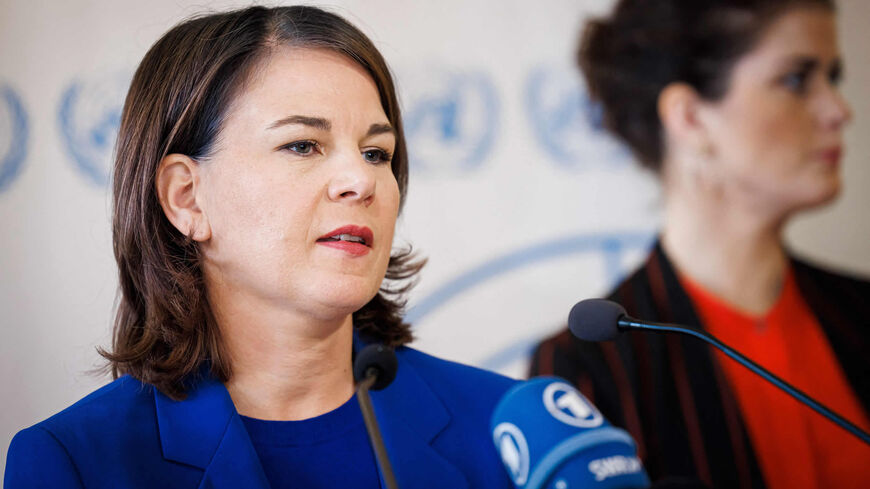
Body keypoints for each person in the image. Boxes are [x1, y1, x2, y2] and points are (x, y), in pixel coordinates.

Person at [4, 6, 516, 488]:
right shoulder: (77, 461)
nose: (360, 180)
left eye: (376, 152)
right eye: (302, 145)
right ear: (187, 198)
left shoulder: (508, 426)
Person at [530, 1, 870, 488]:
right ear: (690, 118)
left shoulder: (861, 310)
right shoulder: (587, 368)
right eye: (796, 80)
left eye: (832, 78)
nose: (840, 109)